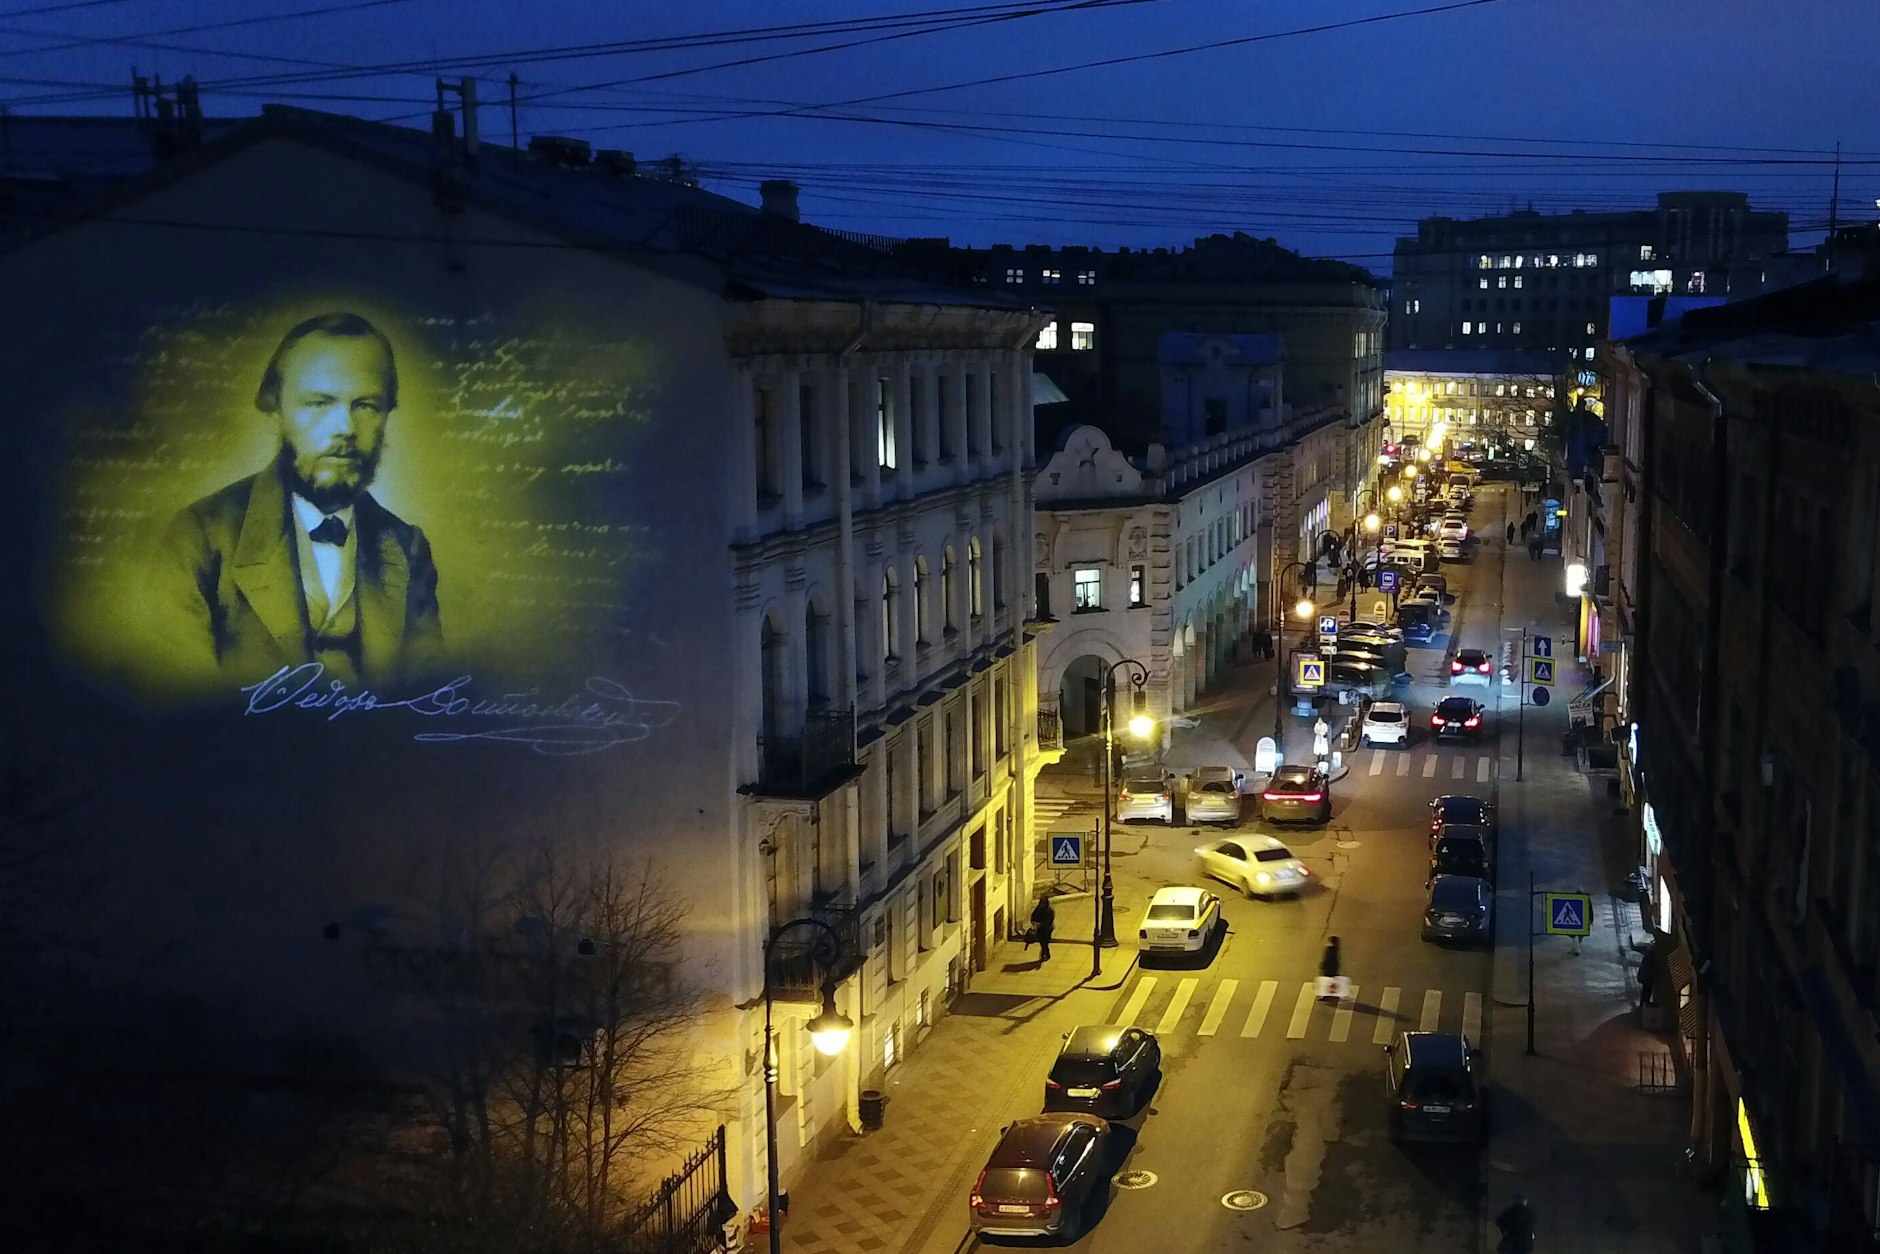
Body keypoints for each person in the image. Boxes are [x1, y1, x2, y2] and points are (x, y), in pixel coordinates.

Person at [159, 312, 444, 688]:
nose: (345, 427)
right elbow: (182, 701)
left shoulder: (407, 548)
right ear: (276, 407)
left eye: (366, 405)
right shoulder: (200, 538)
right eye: (319, 403)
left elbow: (430, 699)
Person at [1030, 896, 1057, 962]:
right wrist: (1033, 922)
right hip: (1040, 929)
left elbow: (1049, 921)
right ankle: (1045, 952)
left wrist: (1040, 924)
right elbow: (1033, 916)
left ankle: (1045, 954)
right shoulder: (1038, 909)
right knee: (1042, 942)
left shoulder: (1049, 911)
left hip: (1047, 929)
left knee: (1045, 942)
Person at [1318, 935, 1342, 1000]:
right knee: (1332, 981)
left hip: (1329, 967)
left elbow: (1327, 958)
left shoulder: (1330, 949)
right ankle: (1333, 994)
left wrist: (1323, 965)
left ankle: (1326, 995)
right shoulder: (1336, 949)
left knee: (1327, 981)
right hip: (1333, 967)